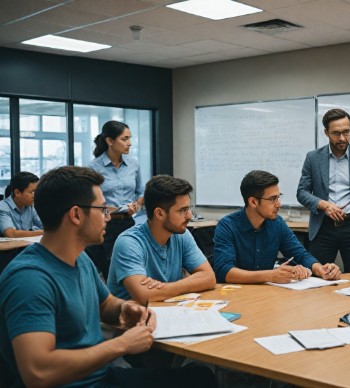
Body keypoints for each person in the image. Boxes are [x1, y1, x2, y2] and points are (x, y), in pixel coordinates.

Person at [0, 166, 215, 387]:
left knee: (200, 376)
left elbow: (107, 303)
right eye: (102, 209)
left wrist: (125, 308)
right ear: (76, 215)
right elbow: (38, 372)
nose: (108, 217)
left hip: (99, 376)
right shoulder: (29, 279)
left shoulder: (79, 259)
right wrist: (122, 345)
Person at [214, 170, 341, 284]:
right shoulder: (227, 226)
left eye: (279, 197)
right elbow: (225, 271)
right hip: (235, 295)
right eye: (273, 199)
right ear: (253, 202)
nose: (279, 204)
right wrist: (270, 275)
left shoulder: (277, 223)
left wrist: (320, 269)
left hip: (268, 293)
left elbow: (300, 254)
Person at [296, 108, 350, 272]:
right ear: (326, 133)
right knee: (318, 277)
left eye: (346, 132)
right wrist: (323, 204)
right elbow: (302, 192)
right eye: (336, 133)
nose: (342, 138)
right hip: (323, 226)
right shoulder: (313, 158)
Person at [107, 175, 216, 303]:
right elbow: (144, 295)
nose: (190, 215)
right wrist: (190, 282)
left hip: (167, 313)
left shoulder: (182, 234)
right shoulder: (129, 242)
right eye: (183, 210)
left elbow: (209, 277)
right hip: (131, 320)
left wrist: (162, 288)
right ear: (159, 213)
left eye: (189, 208)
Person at [87, 120, 144, 280]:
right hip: (105, 224)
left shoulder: (133, 164)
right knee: (110, 270)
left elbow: (140, 191)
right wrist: (106, 208)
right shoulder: (94, 167)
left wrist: (137, 205)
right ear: (110, 141)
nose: (129, 143)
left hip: (128, 222)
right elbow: (89, 201)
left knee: (131, 267)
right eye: (124, 139)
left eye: (130, 138)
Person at [0, 171, 43, 238]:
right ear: (17, 193)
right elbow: (11, 234)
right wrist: (43, 232)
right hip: (11, 248)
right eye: (32, 192)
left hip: (25, 245)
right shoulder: (2, 207)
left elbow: (44, 226)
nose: (35, 195)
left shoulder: (30, 206)